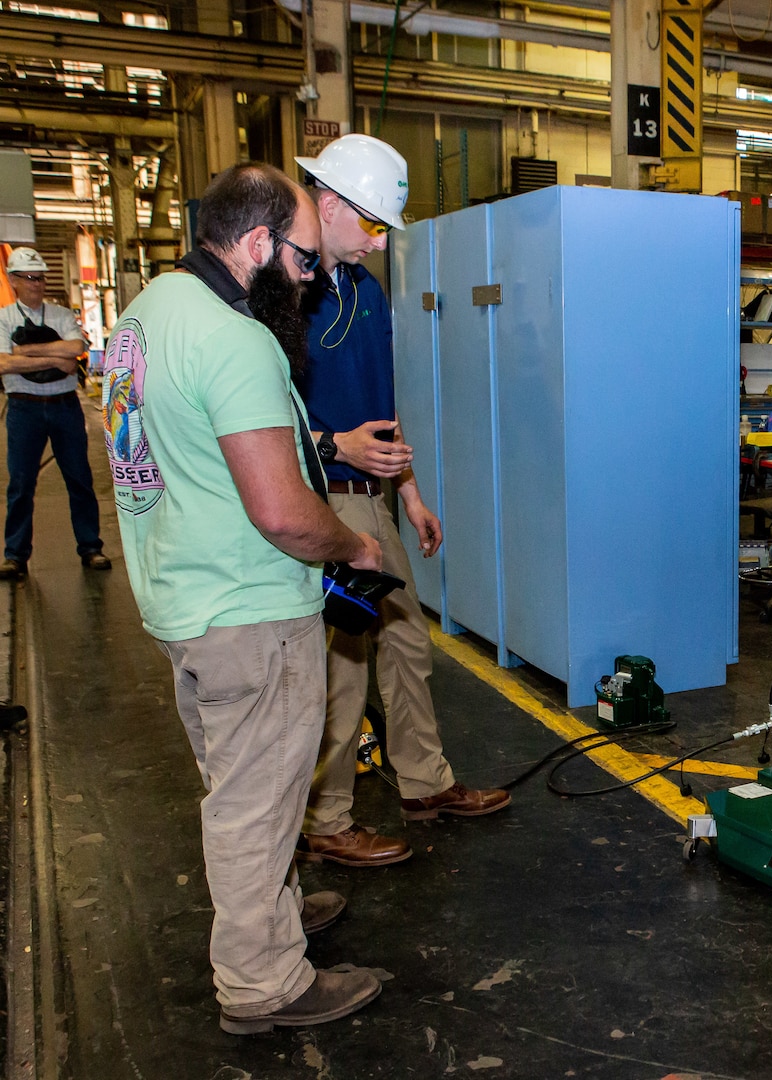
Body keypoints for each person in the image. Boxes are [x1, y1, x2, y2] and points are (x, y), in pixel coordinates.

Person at [102, 162, 385, 1034]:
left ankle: (271, 914)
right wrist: (355, 544)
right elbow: (283, 513)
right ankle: (263, 981)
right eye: (304, 263)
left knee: (244, 784)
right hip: (249, 607)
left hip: (182, 597)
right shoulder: (237, 340)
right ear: (257, 245)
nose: (313, 282)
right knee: (254, 801)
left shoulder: (146, 317)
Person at [293, 134, 509, 870]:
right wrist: (336, 446)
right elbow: (263, 420)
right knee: (345, 659)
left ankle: (423, 784)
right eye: (371, 222)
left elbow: (385, 411)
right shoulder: (286, 295)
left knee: (407, 642)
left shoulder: (368, 291)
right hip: (322, 497)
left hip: (371, 498)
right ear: (328, 206)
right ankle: (328, 818)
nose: (379, 238)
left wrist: (410, 494)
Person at [0, 246, 110, 578]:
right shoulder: (4, 318)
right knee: (21, 482)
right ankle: (15, 555)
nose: (37, 284)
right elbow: (3, 363)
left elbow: (75, 351)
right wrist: (55, 357)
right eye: (30, 278)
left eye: (41, 277)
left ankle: (91, 547)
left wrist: (28, 352)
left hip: (64, 407)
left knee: (79, 478)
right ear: (14, 280)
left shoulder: (61, 316)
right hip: (24, 408)